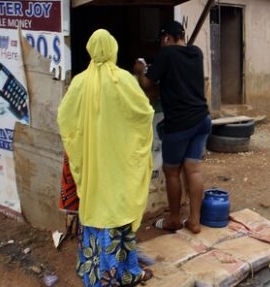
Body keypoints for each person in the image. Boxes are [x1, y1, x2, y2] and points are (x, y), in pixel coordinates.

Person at [58, 29, 155, 286]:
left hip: (93, 167)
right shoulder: (123, 80)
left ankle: (95, 275)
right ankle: (126, 273)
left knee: (96, 213)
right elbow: (144, 113)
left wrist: (82, 142)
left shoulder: (79, 82)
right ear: (113, 49)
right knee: (118, 215)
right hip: (118, 166)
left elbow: (64, 119)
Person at [134, 21, 211, 234]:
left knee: (172, 172)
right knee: (193, 169)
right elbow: (177, 76)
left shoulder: (166, 55)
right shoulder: (196, 52)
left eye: (161, 40)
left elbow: (148, 83)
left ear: (167, 37)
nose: (161, 44)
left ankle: (174, 219)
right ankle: (194, 220)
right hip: (202, 119)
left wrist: (141, 70)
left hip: (179, 124)